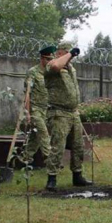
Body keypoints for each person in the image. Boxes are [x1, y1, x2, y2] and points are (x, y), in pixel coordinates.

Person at [43, 41, 93, 191]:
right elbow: (55, 66)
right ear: (60, 53)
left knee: (78, 145)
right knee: (58, 146)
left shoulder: (71, 68)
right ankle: (52, 178)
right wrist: (70, 54)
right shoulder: (52, 65)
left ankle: (77, 175)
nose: (71, 57)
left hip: (73, 112)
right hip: (59, 113)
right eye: (67, 53)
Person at [22, 46, 55, 166]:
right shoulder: (33, 72)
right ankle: (50, 160)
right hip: (35, 109)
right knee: (43, 133)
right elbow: (27, 93)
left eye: (51, 59)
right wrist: (27, 112)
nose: (49, 61)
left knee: (36, 136)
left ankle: (25, 159)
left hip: (47, 109)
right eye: (47, 59)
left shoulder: (50, 72)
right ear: (41, 58)